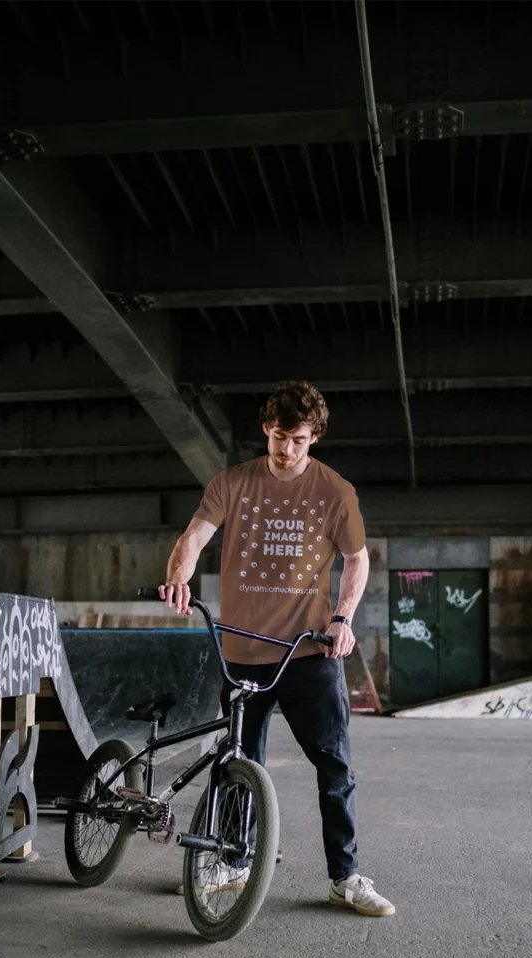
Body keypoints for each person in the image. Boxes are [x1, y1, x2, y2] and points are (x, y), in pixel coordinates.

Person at [159, 380, 394, 918]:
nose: (287, 450)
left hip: (309, 653)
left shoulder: (335, 492)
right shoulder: (232, 483)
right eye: (279, 436)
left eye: (299, 439)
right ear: (267, 430)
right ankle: (235, 861)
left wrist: (342, 618)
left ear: (314, 438)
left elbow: (357, 561)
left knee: (334, 766)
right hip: (241, 651)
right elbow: (194, 537)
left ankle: (345, 877)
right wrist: (178, 576)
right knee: (239, 762)